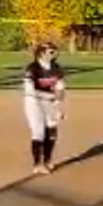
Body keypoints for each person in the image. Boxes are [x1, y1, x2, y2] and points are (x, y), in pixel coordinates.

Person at [23, 43, 67, 175]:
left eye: (55, 52)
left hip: (50, 102)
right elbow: (30, 90)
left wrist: (57, 104)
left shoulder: (56, 68)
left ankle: (47, 160)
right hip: (34, 102)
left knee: (52, 130)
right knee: (38, 132)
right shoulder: (33, 68)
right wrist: (50, 96)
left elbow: (60, 88)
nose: (55, 54)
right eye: (51, 52)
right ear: (42, 53)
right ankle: (37, 164)